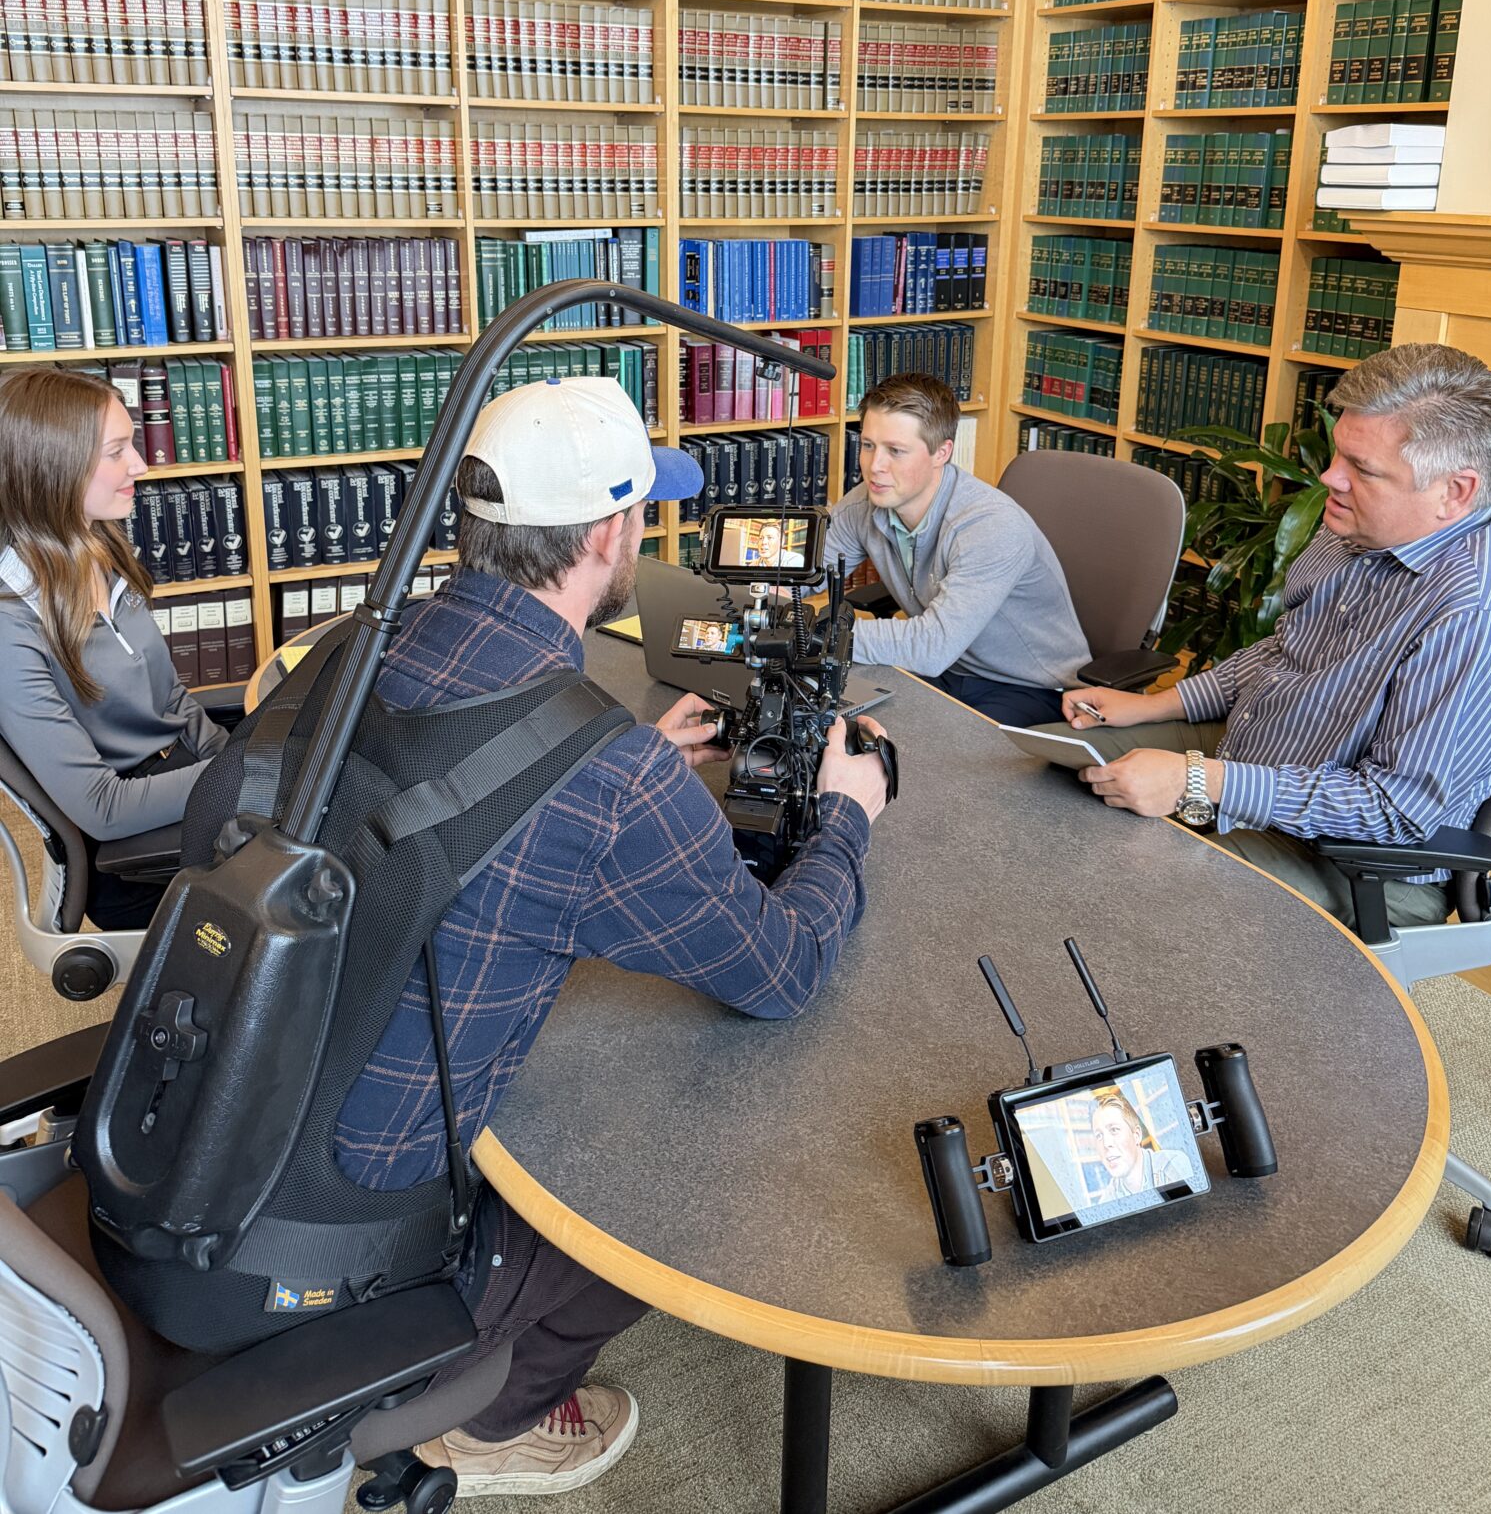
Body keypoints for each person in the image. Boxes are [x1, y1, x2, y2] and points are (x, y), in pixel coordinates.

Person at [333, 376, 891, 1499]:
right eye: (643, 512)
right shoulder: (610, 775)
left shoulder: (360, 644)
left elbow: (455, 786)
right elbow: (781, 971)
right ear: (605, 532)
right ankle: (488, 1414)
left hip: (284, 1085)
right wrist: (847, 815)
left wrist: (613, 752)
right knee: (678, 1157)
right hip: (376, 1202)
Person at [1054, 342, 1491, 930]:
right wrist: (1151, 704)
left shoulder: (1470, 610)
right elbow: (1281, 651)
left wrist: (1198, 781)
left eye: (1362, 469)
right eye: (1340, 454)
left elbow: (1397, 810)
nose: (1329, 479)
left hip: (1351, 859)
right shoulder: (1355, 528)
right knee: (1046, 775)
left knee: (1120, 887)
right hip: (1255, 757)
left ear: (1455, 492)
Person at [0, 369, 228, 929]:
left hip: (186, 778)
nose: (141, 466)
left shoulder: (98, 550)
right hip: (138, 854)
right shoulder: (12, 624)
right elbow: (102, 808)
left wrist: (233, 755)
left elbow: (171, 699)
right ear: (50, 468)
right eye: (116, 451)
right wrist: (245, 775)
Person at [824, 373, 1090, 726]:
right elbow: (803, 571)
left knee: (913, 755)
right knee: (832, 721)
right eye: (868, 445)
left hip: (1028, 687)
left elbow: (931, 646)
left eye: (896, 451)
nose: (876, 467)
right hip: (950, 670)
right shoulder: (869, 501)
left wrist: (814, 633)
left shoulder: (991, 526)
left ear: (942, 452)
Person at [1089, 1091, 1191, 1201]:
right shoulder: (1107, 1199)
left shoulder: (1174, 1166)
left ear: (1136, 1135)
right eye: (1099, 1135)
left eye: (1114, 1130)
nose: (1106, 1143)